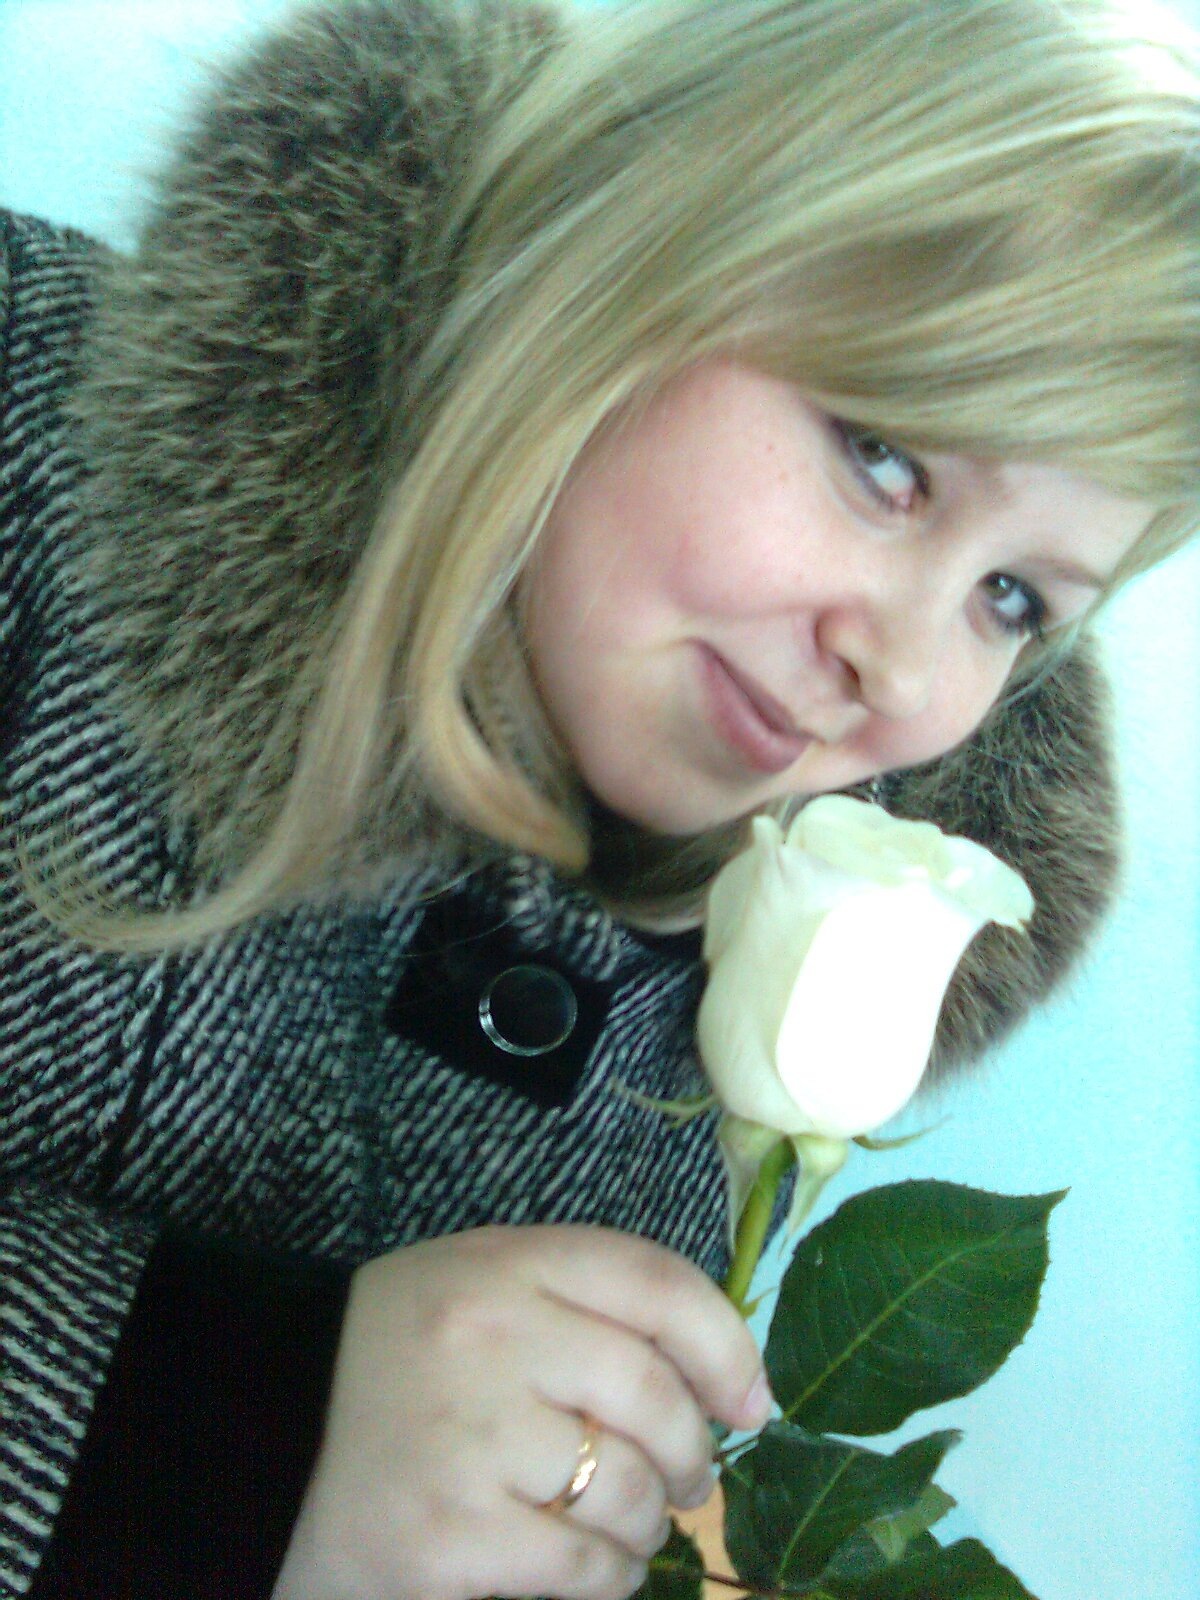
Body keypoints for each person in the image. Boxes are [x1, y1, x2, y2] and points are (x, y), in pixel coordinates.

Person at [1, 0, 1196, 1595]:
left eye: (1013, 601)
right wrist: (211, 1432)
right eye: (886, 455)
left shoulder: (724, 1022)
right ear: (646, 232)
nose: (904, 672)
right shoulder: (23, 413)